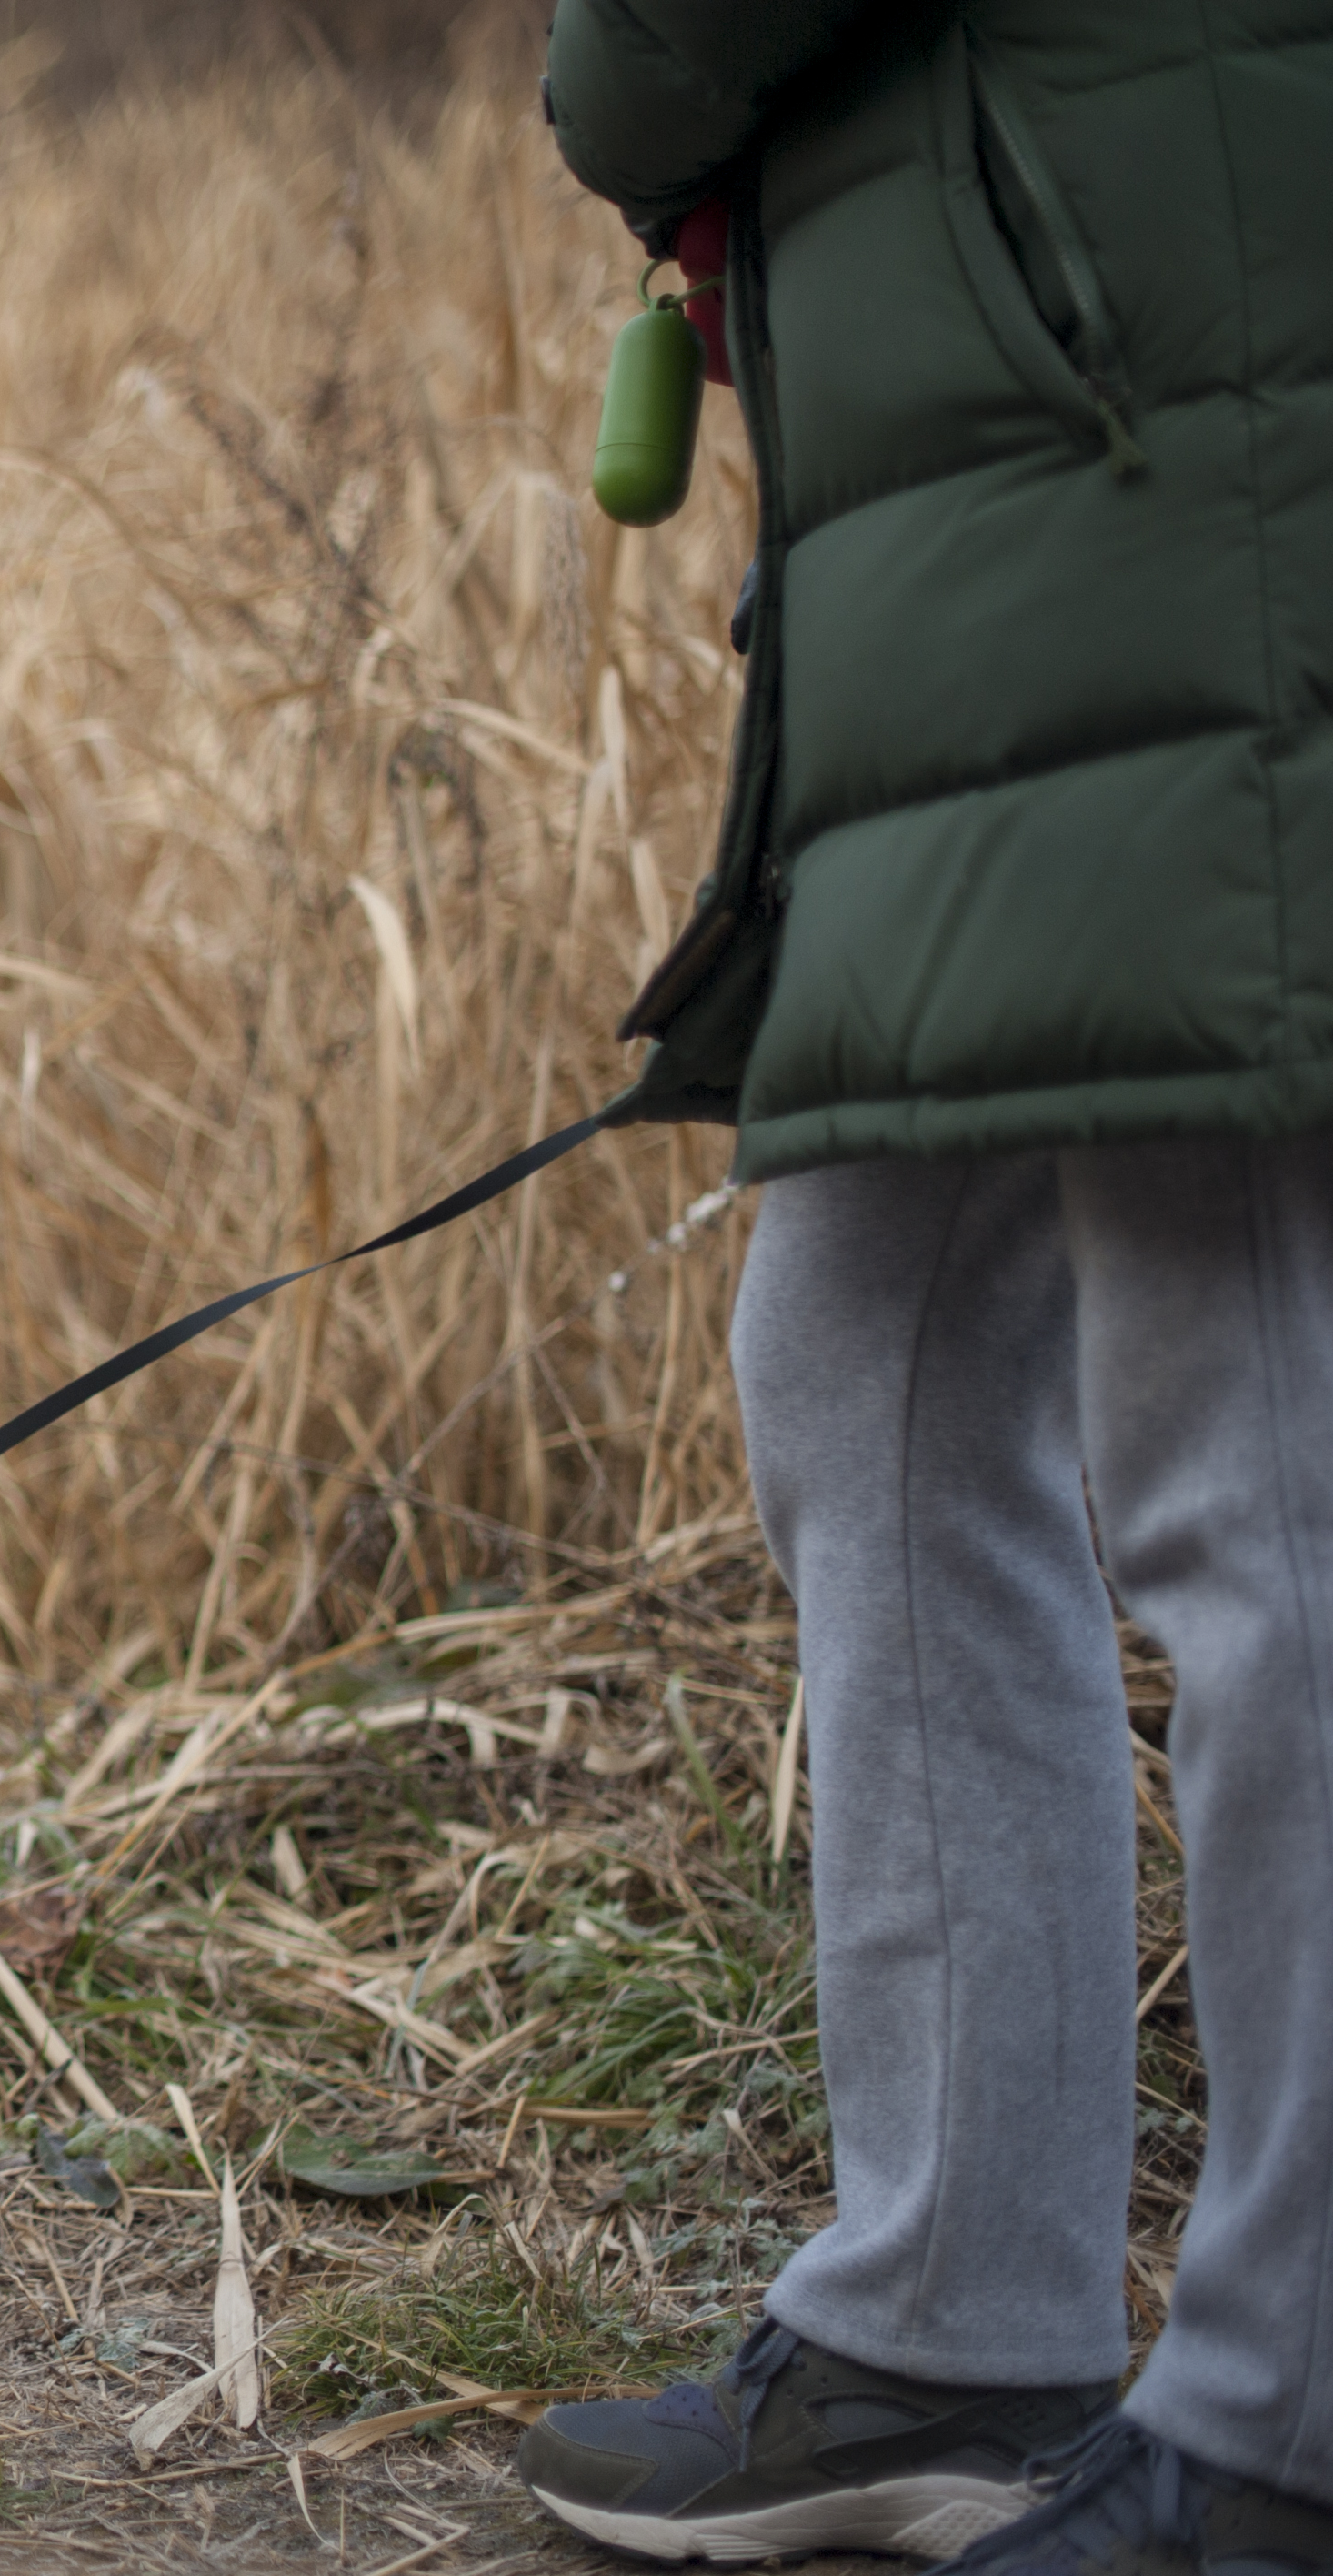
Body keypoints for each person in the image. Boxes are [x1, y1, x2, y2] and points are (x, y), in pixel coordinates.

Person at [515, 7, 1333, 2573]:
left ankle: (1288, 2423)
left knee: (1260, 1446)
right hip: (1015, 470)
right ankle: (946, 2325)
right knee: (867, 1342)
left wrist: (628, 87)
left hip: (1185, 430)